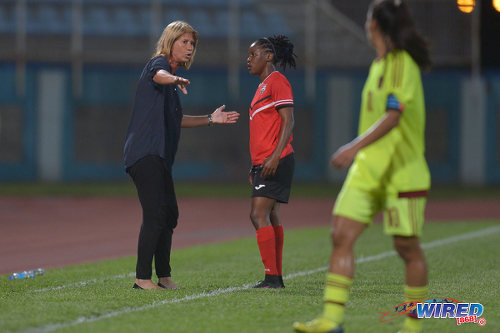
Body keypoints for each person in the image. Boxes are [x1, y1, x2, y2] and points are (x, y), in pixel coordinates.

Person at [293, 0, 431, 332]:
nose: (366, 23)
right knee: (340, 235)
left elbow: (393, 116)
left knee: (406, 248)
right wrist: (360, 154)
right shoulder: (378, 65)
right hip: (368, 170)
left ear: (375, 26)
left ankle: (414, 327)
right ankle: (331, 321)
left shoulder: (401, 64)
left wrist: (353, 147)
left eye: (369, 18)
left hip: (401, 171)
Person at [123, 21, 240, 290]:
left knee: (169, 214)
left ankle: (164, 277)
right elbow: (159, 74)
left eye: (192, 44)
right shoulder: (159, 65)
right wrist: (173, 78)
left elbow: (178, 120)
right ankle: (142, 279)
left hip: (160, 156)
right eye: (184, 42)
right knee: (155, 214)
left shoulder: (171, 90)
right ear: (170, 42)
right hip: (145, 152)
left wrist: (211, 118)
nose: (190, 48)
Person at [246, 35, 297, 289]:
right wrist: (254, 166)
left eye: (253, 54)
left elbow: (289, 121)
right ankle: (275, 277)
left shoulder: (277, 81)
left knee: (258, 214)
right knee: (271, 213)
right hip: (264, 162)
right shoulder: (262, 86)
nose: (248, 60)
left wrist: (275, 156)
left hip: (276, 159)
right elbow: (264, 129)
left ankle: (272, 278)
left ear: (268, 56)